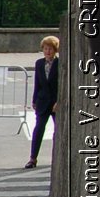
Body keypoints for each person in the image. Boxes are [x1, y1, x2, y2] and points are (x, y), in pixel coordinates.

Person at [27, 35, 60, 169]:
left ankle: (57, 158)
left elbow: (62, 84)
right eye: (45, 49)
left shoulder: (60, 63)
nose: (48, 52)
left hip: (55, 103)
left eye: (50, 49)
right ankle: (33, 158)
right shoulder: (39, 63)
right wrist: (34, 100)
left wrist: (59, 101)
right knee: (39, 129)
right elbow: (37, 83)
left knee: (58, 131)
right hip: (42, 101)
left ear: (55, 50)